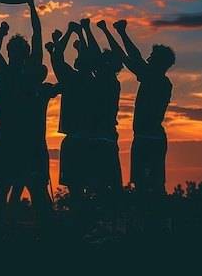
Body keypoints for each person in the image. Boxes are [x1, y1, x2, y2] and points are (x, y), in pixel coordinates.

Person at [46, 18, 125, 232]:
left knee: (81, 190)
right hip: (88, 141)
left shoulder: (77, 79)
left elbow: (57, 57)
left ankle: (88, 226)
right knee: (95, 188)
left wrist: (74, 33)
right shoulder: (94, 80)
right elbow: (93, 56)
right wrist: (82, 34)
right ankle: (96, 227)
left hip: (81, 142)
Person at [0, 0, 59, 226]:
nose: (16, 54)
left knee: (36, 194)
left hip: (26, 143)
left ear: (25, 54)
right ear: (9, 53)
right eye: (14, 51)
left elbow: (38, 35)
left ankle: (43, 234)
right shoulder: (3, 71)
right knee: (2, 193)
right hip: (9, 141)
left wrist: (31, 5)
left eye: (19, 51)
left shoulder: (26, 73)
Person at [112, 19, 175, 214]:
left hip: (150, 139)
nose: (149, 59)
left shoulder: (157, 80)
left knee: (152, 185)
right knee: (146, 184)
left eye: (153, 57)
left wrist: (121, 33)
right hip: (145, 138)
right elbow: (128, 58)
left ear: (161, 62)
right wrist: (114, 34)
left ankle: (156, 222)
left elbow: (134, 58)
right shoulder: (153, 77)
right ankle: (150, 222)